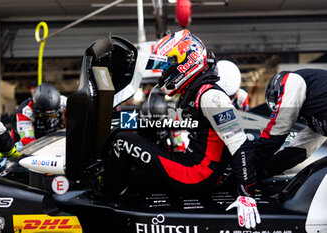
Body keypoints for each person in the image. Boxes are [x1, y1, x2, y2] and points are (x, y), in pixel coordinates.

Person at [103, 29, 260, 229]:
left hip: (195, 175)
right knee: (136, 176)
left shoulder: (210, 96)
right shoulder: (198, 91)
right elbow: (166, 121)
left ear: (184, 63)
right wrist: (122, 118)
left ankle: (105, 202)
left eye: (166, 66)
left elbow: (240, 145)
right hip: (196, 170)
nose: (163, 72)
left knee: (122, 142)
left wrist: (246, 194)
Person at [255, 69, 327, 178]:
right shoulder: (317, 112)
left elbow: (277, 130)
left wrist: (248, 168)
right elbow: (300, 150)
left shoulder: (292, 80)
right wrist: (265, 171)